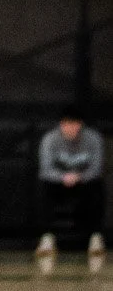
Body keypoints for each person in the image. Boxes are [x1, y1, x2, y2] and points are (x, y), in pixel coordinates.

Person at [36, 111, 105, 260]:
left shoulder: (93, 138)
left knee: (97, 187)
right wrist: (63, 177)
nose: (71, 128)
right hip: (58, 184)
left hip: (84, 183)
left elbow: (97, 168)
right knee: (43, 188)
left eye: (74, 124)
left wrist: (80, 177)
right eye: (67, 124)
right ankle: (47, 238)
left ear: (80, 125)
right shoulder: (50, 139)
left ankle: (95, 238)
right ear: (61, 124)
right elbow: (45, 169)